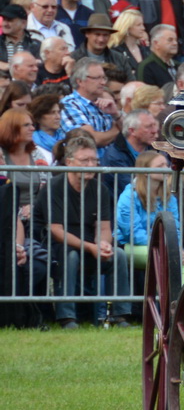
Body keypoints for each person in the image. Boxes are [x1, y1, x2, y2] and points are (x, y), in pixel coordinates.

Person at [43, 137, 117, 327]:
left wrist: (103, 244)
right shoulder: (55, 186)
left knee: (119, 256)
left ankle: (120, 315)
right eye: (85, 160)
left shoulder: (100, 189)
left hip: (90, 243)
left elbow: (104, 228)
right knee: (71, 256)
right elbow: (56, 231)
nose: (91, 165)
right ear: (69, 162)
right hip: (57, 244)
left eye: (94, 160)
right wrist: (91, 247)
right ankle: (67, 317)